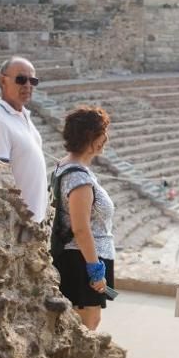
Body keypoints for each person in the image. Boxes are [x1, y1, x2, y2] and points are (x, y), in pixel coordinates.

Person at [52, 107, 115, 330]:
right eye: (102, 132)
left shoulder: (66, 167)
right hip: (82, 260)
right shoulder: (78, 177)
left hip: (81, 258)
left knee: (86, 322)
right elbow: (81, 229)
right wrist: (95, 270)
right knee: (85, 324)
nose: (106, 138)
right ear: (91, 137)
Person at [0, 56, 47, 223]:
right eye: (21, 79)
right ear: (3, 81)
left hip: (36, 222)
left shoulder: (21, 114)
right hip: (21, 227)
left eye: (32, 80)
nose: (28, 85)